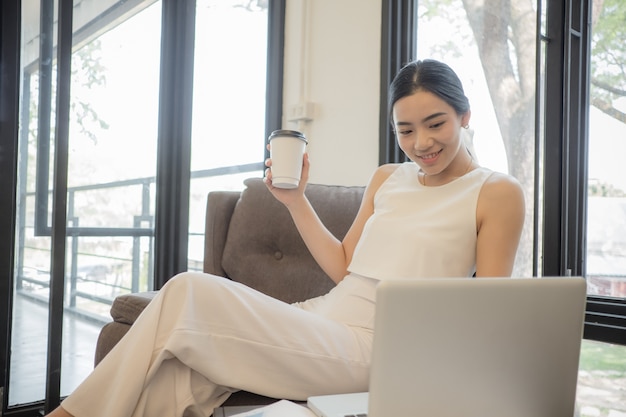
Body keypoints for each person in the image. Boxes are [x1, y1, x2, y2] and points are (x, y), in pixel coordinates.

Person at [46, 59, 524, 417]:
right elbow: (343, 266)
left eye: (435, 123)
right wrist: (294, 200)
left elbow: (486, 311)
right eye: (406, 129)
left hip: (381, 346)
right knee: (178, 372)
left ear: (464, 115)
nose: (422, 143)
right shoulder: (387, 177)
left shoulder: (495, 191)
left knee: (188, 289)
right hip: (321, 320)